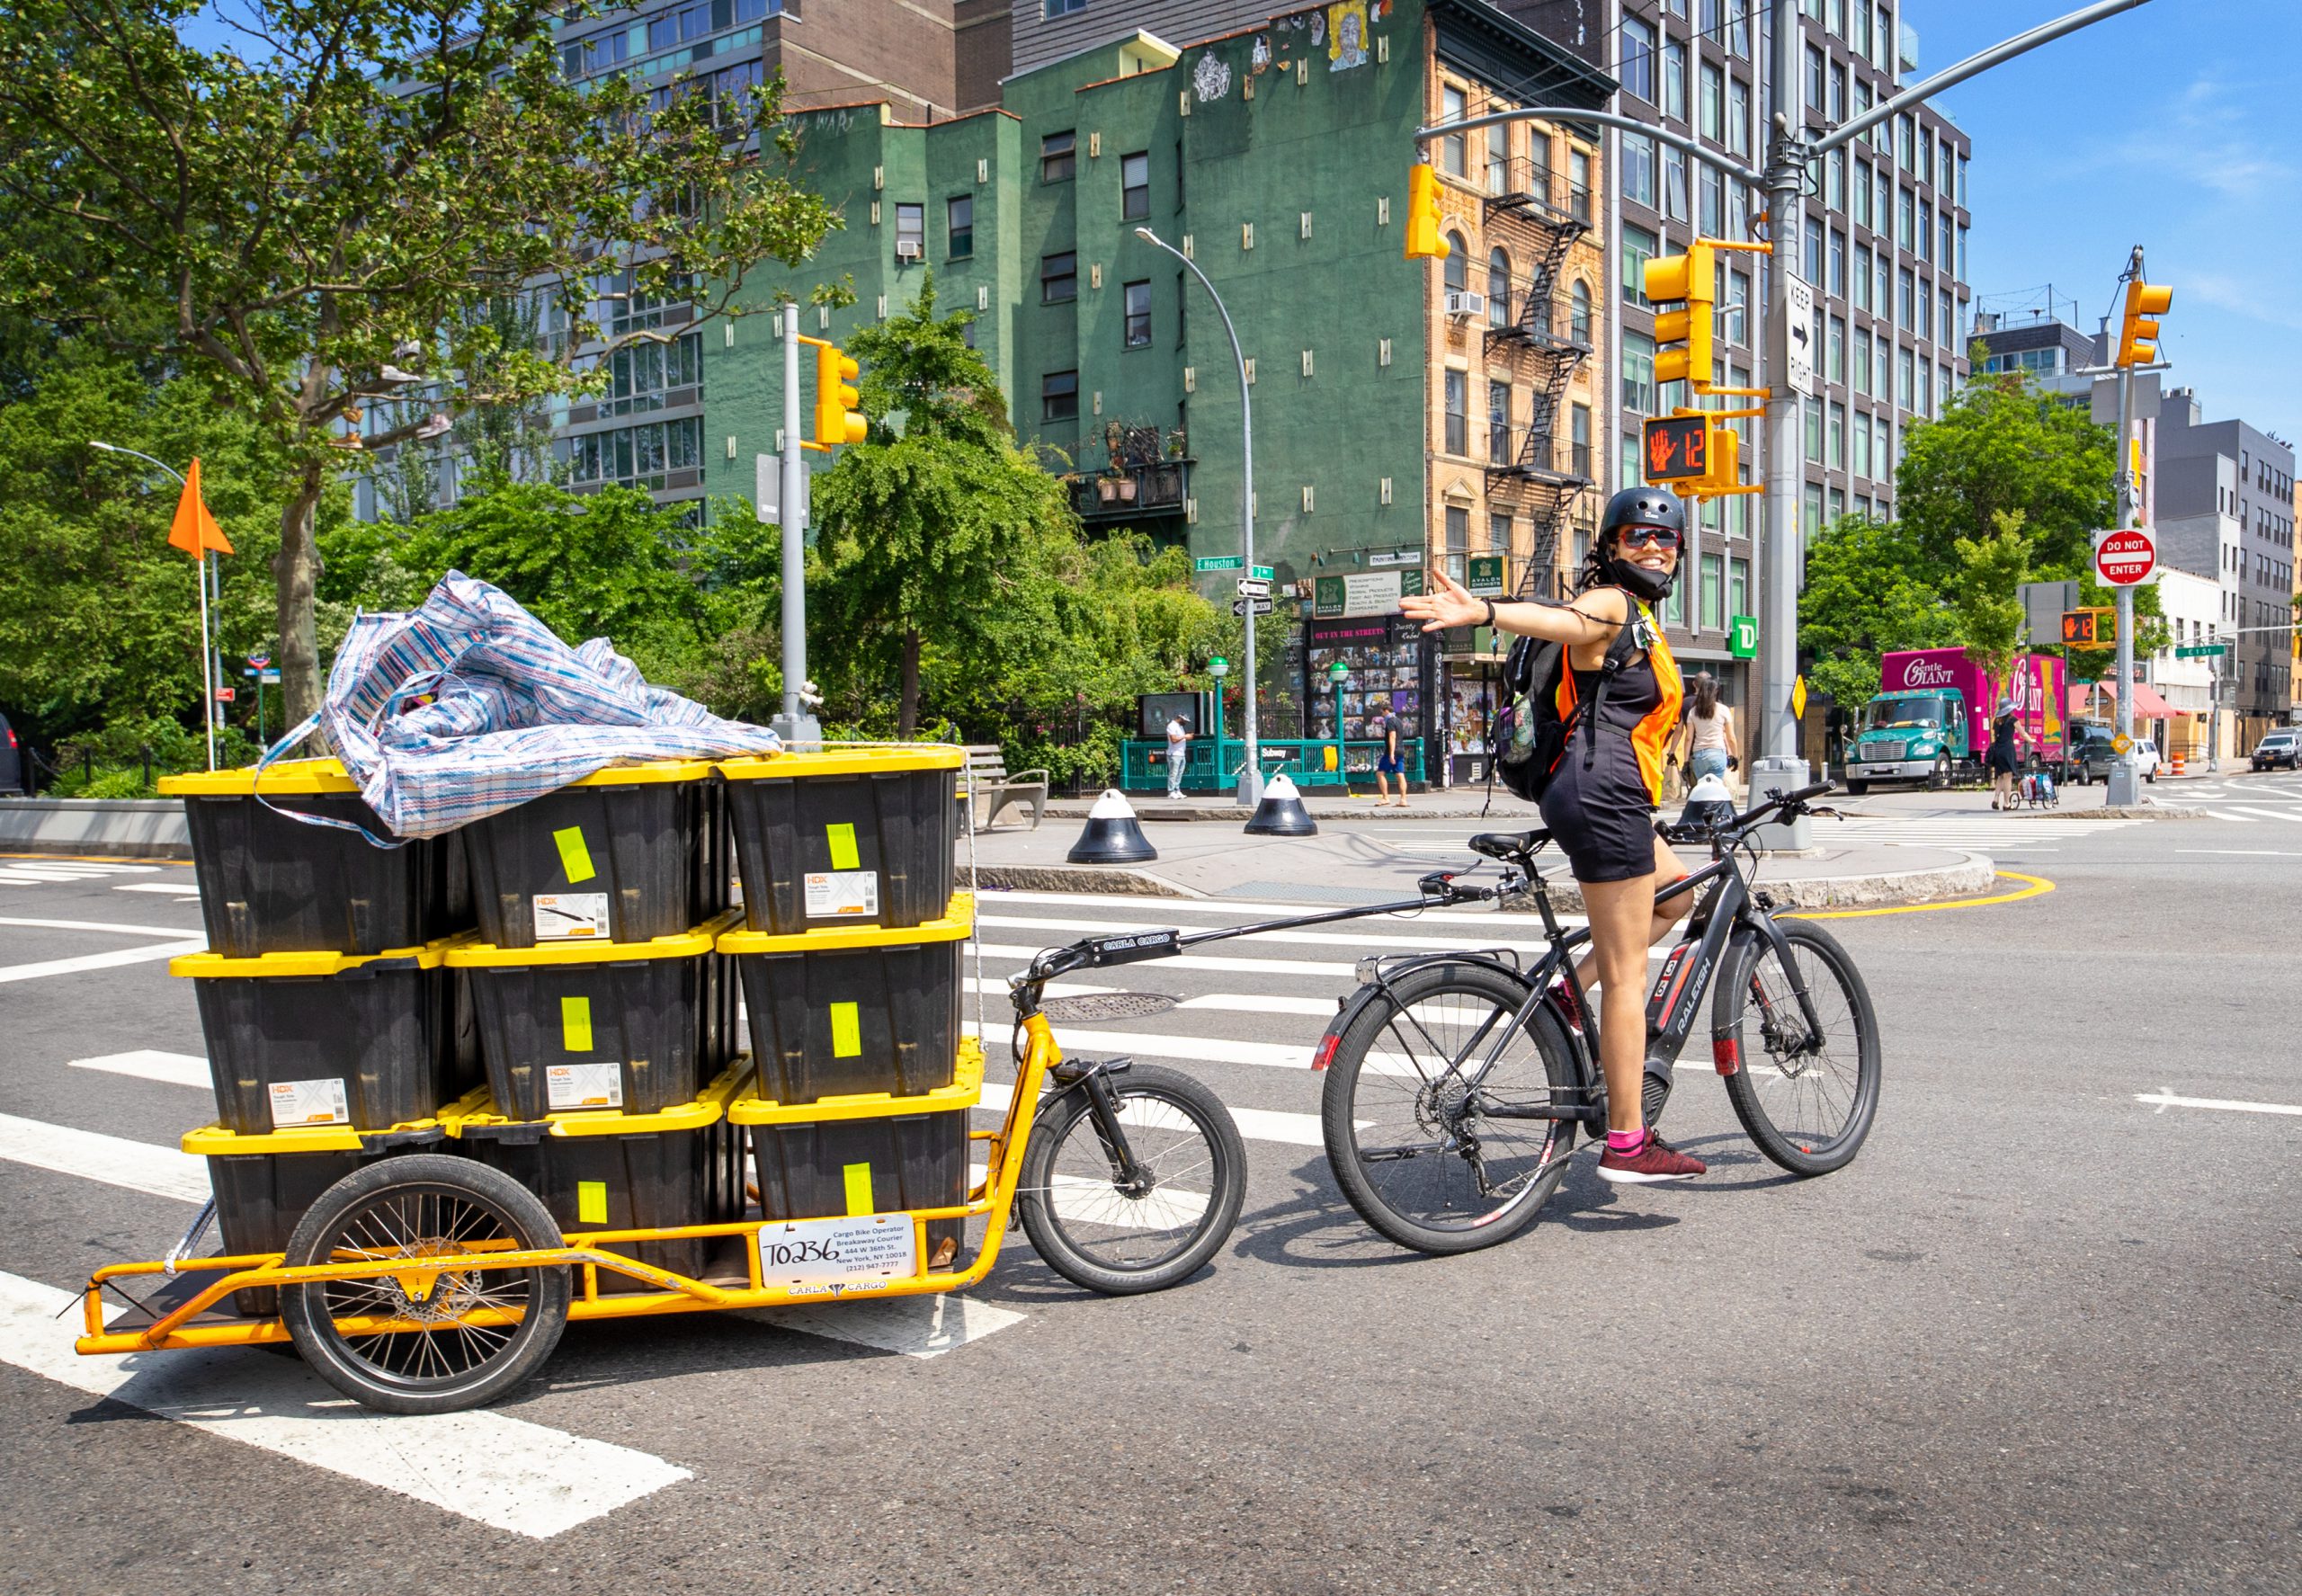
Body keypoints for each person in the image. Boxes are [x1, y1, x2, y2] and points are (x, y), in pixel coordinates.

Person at [1403, 486, 1706, 1183]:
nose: (1654, 548)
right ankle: (1629, 1142)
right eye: (1637, 537)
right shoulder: (1612, 604)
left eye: (1666, 541)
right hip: (1604, 795)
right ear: (1609, 545)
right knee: (1631, 976)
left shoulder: (1645, 623)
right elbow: (1562, 621)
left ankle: (1569, 993)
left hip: (1604, 791)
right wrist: (1483, 610)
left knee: (1676, 897)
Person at [1676, 672, 1741, 794]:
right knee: (1716, 790)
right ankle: (1714, 811)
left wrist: (1685, 761)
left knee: (1702, 790)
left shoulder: (1693, 711)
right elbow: (1731, 737)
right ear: (1716, 691)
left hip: (1698, 756)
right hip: (1717, 753)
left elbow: (1689, 738)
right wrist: (1735, 757)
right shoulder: (1723, 710)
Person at [1986, 698, 2024, 809]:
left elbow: (1998, 736)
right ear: (2009, 709)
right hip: (2007, 750)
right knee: (2008, 776)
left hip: (1997, 750)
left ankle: (1996, 799)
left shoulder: (1997, 720)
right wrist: (2031, 740)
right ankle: (2007, 803)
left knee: (2001, 776)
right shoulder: (2013, 720)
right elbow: (2023, 733)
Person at [1371, 707, 1406, 807]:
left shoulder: (1390, 721)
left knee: (1380, 774)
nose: (1381, 714)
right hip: (1400, 750)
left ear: (1386, 711)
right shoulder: (1398, 721)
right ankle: (1403, 800)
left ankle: (1385, 798)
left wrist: (1391, 754)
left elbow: (1392, 736)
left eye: (1382, 711)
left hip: (1391, 751)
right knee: (1400, 775)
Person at [1164, 714, 1191, 800]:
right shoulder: (1171, 726)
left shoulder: (1180, 727)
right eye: (1185, 721)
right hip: (1174, 753)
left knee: (1179, 773)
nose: (1186, 723)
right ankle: (1171, 791)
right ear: (1180, 719)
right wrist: (1185, 736)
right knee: (1174, 773)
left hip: (1181, 753)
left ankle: (1177, 789)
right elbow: (1174, 739)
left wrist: (1187, 737)